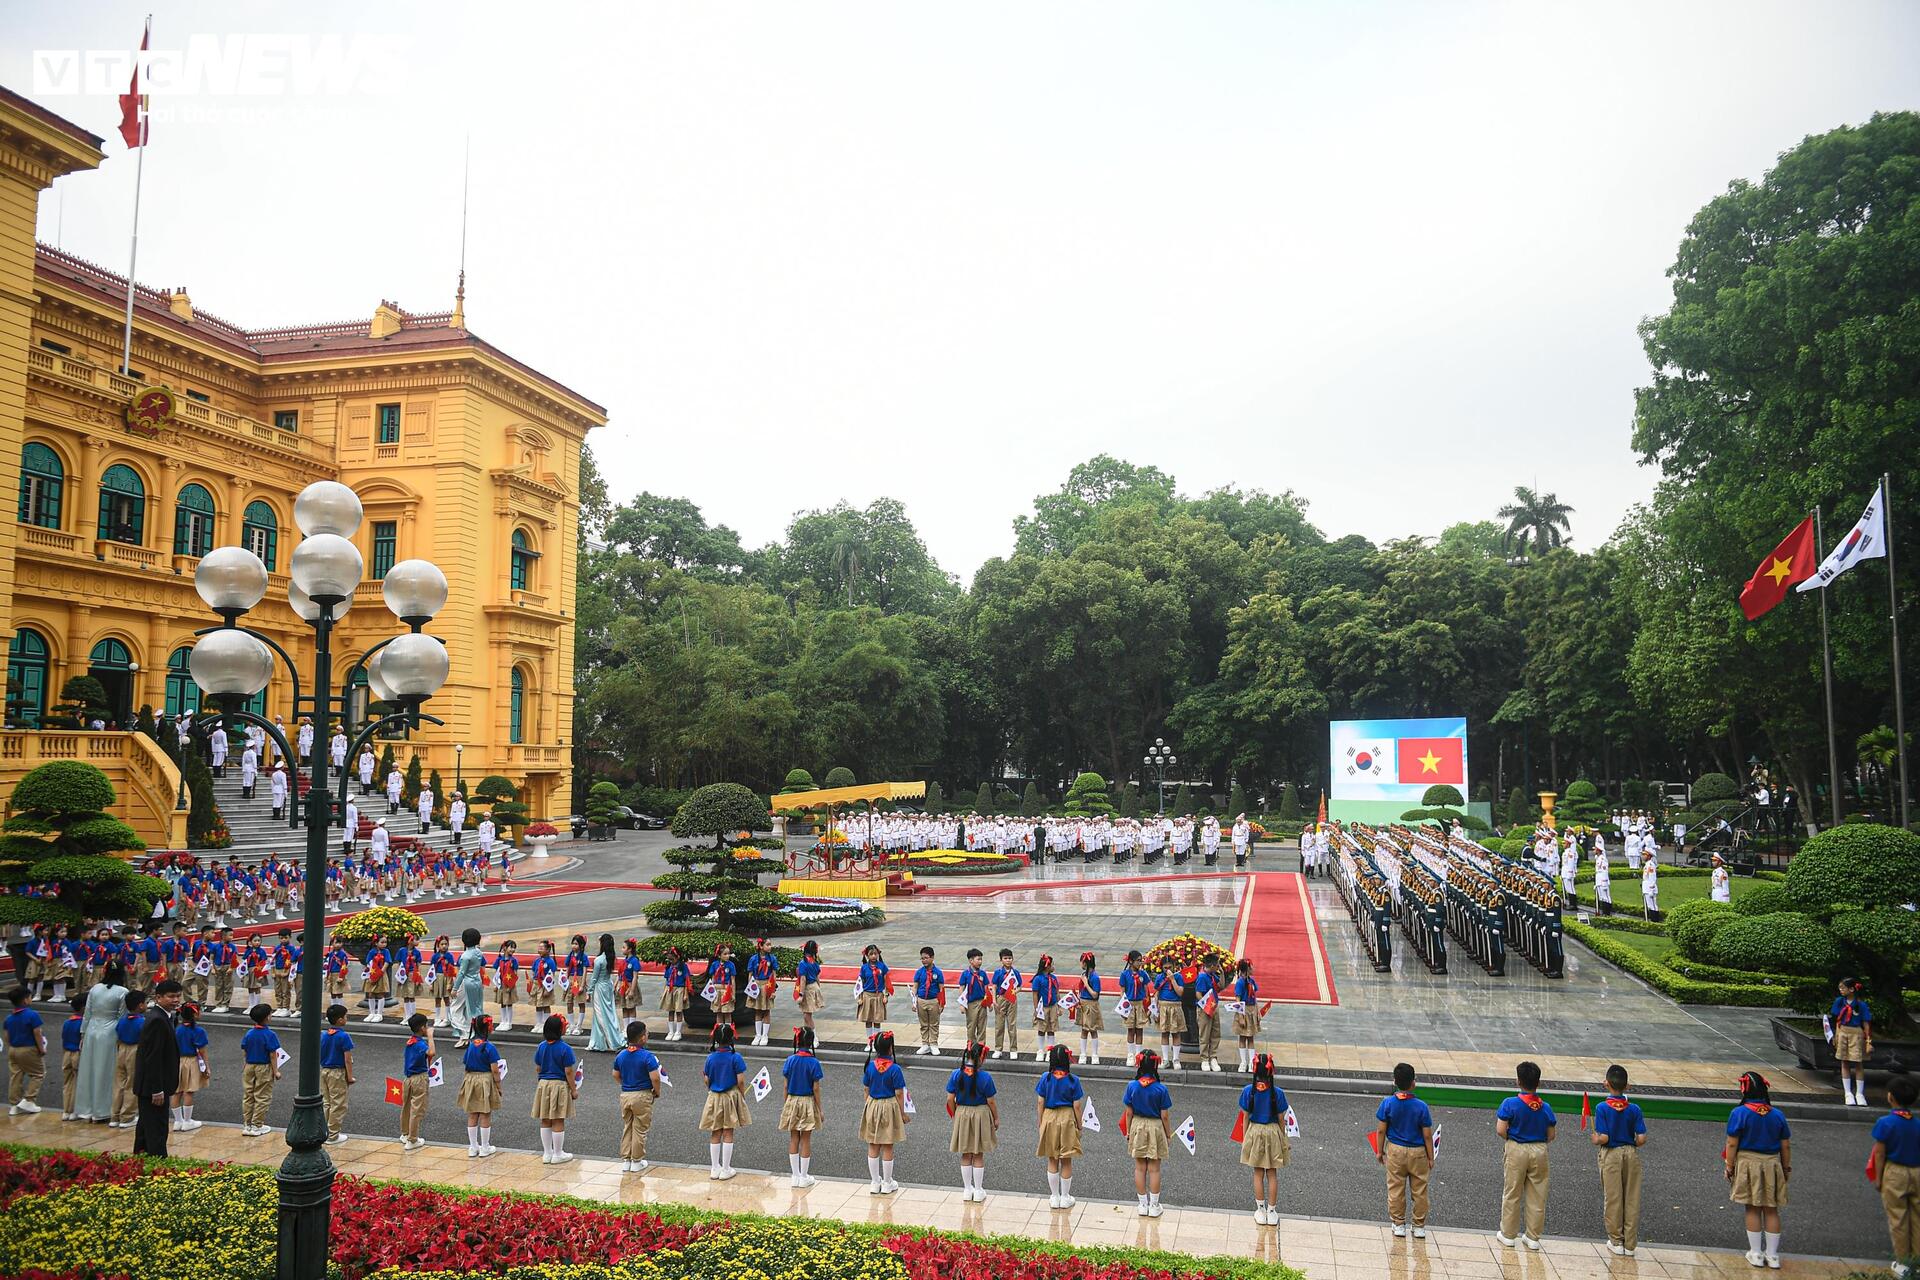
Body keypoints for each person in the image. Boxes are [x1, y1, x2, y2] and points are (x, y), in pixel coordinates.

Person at [1725, 1070, 1790, 1269]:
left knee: (1752, 1207)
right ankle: (1772, 1255)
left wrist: (1729, 1165)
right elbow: (1785, 1145)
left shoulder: (1739, 1113)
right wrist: (1786, 1168)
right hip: (1772, 1163)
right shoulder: (1777, 1114)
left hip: (1747, 1163)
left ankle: (1755, 1253)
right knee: (1771, 1209)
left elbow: (1732, 1143)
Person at [1495, 1059, 1556, 1250]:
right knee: (1537, 1194)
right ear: (1538, 1083)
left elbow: (1500, 1129)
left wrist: (1511, 1139)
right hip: (1539, 1149)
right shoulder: (1546, 1107)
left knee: (1512, 1191)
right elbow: (1551, 1134)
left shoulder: (1510, 1103)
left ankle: (1508, 1234)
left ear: (1518, 1081)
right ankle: (1533, 1237)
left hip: (1516, 1147)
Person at [1591, 1063, 1648, 1256]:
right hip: (1631, 1153)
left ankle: (1616, 1241)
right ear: (1627, 1086)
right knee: (1631, 1198)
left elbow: (1604, 1137)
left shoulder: (1601, 1108)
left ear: (1606, 1084)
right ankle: (1630, 1244)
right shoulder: (1635, 1109)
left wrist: (1596, 1139)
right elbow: (1641, 1139)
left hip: (1611, 1154)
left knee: (1613, 1197)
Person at [1376, 1062, 1435, 1238]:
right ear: (1413, 1083)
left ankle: (1398, 1223)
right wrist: (1430, 1157)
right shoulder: (1421, 1106)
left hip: (1395, 1150)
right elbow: (1427, 1135)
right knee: (1420, 1189)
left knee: (1395, 1187)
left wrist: (1380, 1151)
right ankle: (1418, 1226)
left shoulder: (1387, 1104)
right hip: (1418, 1152)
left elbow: (1381, 1130)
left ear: (1395, 1081)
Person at [1869, 1074, 1920, 1276]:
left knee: (1898, 1218)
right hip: (1917, 1171)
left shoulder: (1886, 1122)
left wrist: (1879, 1178)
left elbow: (1880, 1152)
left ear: (1890, 1097)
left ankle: (1903, 1261)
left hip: (1895, 1172)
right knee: (1917, 1217)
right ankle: (1917, 1259)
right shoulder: (1917, 1124)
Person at [1239, 1052, 1293, 1225]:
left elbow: (1245, 1117)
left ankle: (1260, 1210)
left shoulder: (1249, 1091)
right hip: (1273, 1133)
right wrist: (1284, 1140)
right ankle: (1272, 1211)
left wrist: (1245, 1137)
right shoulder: (1278, 1093)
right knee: (1272, 1173)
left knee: (1257, 1173)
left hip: (1254, 1132)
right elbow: (1281, 1119)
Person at [73, 961, 128, 1123]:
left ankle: (86, 1109)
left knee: (89, 1068)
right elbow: (122, 1016)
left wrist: (83, 1034)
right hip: (110, 1031)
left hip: (92, 1030)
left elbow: (87, 1013)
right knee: (107, 1071)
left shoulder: (95, 988)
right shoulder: (123, 991)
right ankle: (103, 1109)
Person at [1123, 1049, 1175, 1218]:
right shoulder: (1161, 1089)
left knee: (1139, 1168)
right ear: (1155, 1065)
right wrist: (1168, 1135)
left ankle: (1142, 1204)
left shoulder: (1132, 1086)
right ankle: (1154, 1206)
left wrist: (1129, 1131)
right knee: (1154, 1169)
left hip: (1137, 1125)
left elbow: (1128, 1112)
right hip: (1155, 1127)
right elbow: (1165, 1116)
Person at [947, 1040, 998, 1202]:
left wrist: (956, 1114)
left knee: (965, 1152)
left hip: (962, 1111)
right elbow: (991, 1101)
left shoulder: (956, 1074)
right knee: (978, 1153)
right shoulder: (985, 1076)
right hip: (980, 1113)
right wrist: (996, 1117)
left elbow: (950, 1098)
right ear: (981, 1058)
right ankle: (978, 1190)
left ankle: (967, 1189)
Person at [1035, 1043, 1085, 1208]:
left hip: (1049, 1116)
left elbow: (1040, 1101)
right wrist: (1080, 1125)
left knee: (1052, 1158)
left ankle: (1054, 1197)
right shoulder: (1073, 1080)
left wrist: (1041, 1121)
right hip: (1067, 1117)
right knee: (1066, 1158)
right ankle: (1065, 1197)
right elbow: (1077, 1106)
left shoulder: (1045, 1078)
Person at [860, 1029, 908, 1195]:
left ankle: (874, 1182)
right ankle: (887, 1183)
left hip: (873, 1104)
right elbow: (899, 1093)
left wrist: (868, 1105)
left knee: (873, 1144)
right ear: (890, 1049)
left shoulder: (870, 1067)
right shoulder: (895, 1069)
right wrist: (902, 1113)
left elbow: (866, 1088)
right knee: (887, 1144)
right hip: (889, 1106)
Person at [700, 1022, 749, 1180]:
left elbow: (706, 1078)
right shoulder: (736, 1057)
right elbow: (740, 1080)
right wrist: (742, 1095)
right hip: (730, 1095)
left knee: (715, 1131)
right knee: (728, 1131)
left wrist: (711, 1088)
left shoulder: (710, 1057)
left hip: (714, 1095)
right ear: (731, 1038)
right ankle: (726, 1168)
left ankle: (715, 1168)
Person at [532, 1014, 581, 1164]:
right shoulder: (565, 1048)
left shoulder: (541, 1046)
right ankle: (558, 1153)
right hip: (559, 1085)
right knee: (558, 1119)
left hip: (543, 1084)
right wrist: (573, 1089)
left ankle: (547, 1153)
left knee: (545, 1118)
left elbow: (538, 1067)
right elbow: (568, 1071)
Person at [779, 1026, 824, 1186]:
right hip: (807, 1101)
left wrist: (786, 1105)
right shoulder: (814, 1062)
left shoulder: (790, 1060)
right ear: (811, 1042)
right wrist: (820, 1109)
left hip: (792, 1099)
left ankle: (795, 1176)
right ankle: (804, 1176)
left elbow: (785, 1086)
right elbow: (816, 1088)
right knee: (805, 1138)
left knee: (793, 1137)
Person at [458, 1015, 502, 1158]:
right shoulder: (489, 1047)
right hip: (485, 1080)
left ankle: (473, 1147)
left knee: (472, 1114)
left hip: (471, 1079)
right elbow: (495, 1069)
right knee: (485, 1113)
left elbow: (466, 1065)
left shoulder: (471, 1045)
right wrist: (498, 1085)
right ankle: (484, 1147)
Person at [238, 1003, 282, 1137]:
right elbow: (273, 1055)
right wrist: (276, 1071)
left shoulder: (249, 1033)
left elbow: (245, 1050)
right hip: (264, 1067)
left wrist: (245, 1065)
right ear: (267, 1017)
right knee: (262, 1096)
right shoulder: (270, 1034)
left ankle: (247, 1124)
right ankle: (257, 1125)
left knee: (248, 1095)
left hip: (249, 1066)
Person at [1832, 978, 1874, 1106]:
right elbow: (1836, 1017)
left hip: (1856, 1033)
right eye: (1840, 988)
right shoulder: (1839, 1002)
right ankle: (1848, 1093)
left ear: (1852, 989)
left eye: (1843, 988)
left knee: (1858, 1062)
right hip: (1843, 1031)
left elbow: (1866, 1023)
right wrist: (1835, 1035)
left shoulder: (1861, 1005)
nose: (1841, 990)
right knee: (1844, 1061)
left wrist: (1868, 1040)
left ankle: (1860, 1093)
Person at [5, 987, 46, 1115]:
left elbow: (6, 1036)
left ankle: (14, 1105)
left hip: (13, 1049)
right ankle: (29, 1099)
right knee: (38, 1073)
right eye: (29, 997)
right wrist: (41, 1048)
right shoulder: (32, 1015)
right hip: (28, 1048)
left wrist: (10, 1047)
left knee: (16, 1076)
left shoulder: (9, 1018)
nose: (31, 999)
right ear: (25, 1000)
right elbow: (37, 1033)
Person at [318, 1004, 355, 1145]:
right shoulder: (343, 1036)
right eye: (345, 1016)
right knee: (338, 1104)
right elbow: (347, 1059)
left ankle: (325, 1131)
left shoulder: (323, 1034)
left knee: (327, 1102)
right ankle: (333, 1134)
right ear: (340, 1020)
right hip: (337, 1072)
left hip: (324, 1070)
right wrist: (350, 1077)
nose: (346, 1018)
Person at [111, 988, 147, 1129]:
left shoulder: (122, 1020)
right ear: (140, 1005)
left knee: (119, 1083)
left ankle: (115, 1115)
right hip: (135, 1050)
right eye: (145, 1003)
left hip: (121, 1049)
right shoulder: (142, 1022)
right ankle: (127, 1116)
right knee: (132, 1083)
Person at [170, 1001, 208, 1131]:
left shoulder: (177, 1029)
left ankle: (178, 1121)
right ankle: (187, 1121)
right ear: (195, 1014)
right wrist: (207, 1067)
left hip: (177, 1061)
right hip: (191, 1061)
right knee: (189, 1091)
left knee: (176, 1091)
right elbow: (202, 1051)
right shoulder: (198, 1031)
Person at [584, 934, 622, 1052]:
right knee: (610, 1013)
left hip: (600, 988)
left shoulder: (599, 960)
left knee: (600, 1015)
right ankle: (600, 1042)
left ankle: (613, 1042)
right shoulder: (611, 957)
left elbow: (594, 978)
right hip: (608, 986)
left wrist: (589, 992)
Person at [744, 937, 779, 1048]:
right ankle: (758, 1034)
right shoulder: (753, 959)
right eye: (767, 944)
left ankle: (765, 1035)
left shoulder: (772, 958)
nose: (770, 946)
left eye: (770, 944)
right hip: (756, 985)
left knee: (767, 1010)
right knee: (758, 1011)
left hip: (767, 985)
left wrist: (773, 990)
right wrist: (750, 989)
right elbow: (750, 975)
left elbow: (773, 975)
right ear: (761, 946)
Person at [913, 946, 946, 1056]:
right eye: (922, 958)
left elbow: (941, 988)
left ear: (932, 958)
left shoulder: (938, 972)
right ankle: (925, 1044)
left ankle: (933, 1044)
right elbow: (915, 987)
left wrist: (942, 1003)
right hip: (921, 1000)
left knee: (934, 1024)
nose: (924, 960)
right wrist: (914, 1001)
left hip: (933, 1001)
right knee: (923, 1024)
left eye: (926, 958)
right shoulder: (919, 972)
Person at [1119, 950, 1150, 1065]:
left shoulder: (1143, 974)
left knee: (1140, 1030)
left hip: (1140, 1004)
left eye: (1141, 960)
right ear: (1131, 961)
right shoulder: (1125, 974)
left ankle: (1138, 1055)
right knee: (1131, 1030)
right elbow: (1122, 991)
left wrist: (1147, 1007)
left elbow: (1147, 990)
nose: (1140, 963)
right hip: (1130, 1004)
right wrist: (1123, 1007)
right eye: (1138, 960)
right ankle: (1130, 1055)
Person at [990, 948, 1021, 1060]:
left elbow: (1019, 986)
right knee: (999, 1025)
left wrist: (1014, 992)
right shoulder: (998, 973)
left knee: (1012, 1025)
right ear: (1001, 960)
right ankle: (998, 1049)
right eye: (1005, 958)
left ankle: (1013, 1049)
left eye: (1010, 958)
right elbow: (994, 986)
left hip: (1012, 999)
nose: (1008, 960)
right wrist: (994, 1000)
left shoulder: (1015, 973)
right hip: (1000, 998)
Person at [1075, 952, 1105, 1066]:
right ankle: (1083, 1054)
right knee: (1083, 1030)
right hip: (1083, 1003)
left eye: (1082, 961)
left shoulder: (1095, 977)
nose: (1080, 964)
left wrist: (1086, 984)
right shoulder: (1084, 974)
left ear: (1086, 963)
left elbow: (1095, 995)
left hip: (1091, 1005)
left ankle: (1094, 1054)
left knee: (1093, 1030)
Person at [1233, 960, 1262, 1072]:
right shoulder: (1240, 982)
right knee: (1242, 1036)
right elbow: (1238, 998)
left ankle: (1251, 1062)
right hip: (1243, 1010)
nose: (1253, 969)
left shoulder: (1252, 981)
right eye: (1251, 967)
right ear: (1247, 969)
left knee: (1250, 1037)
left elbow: (1254, 997)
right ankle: (1243, 1062)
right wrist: (1241, 1016)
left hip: (1252, 1009)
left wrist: (1258, 1011)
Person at [856, 944, 889, 1045]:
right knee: (868, 1020)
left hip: (878, 995)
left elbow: (887, 981)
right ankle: (870, 1042)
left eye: (875, 954)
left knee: (877, 1020)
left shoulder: (882, 966)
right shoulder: (864, 968)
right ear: (867, 956)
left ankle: (877, 1042)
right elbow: (860, 983)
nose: (873, 956)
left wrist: (886, 995)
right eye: (871, 954)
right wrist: (860, 997)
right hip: (867, 995)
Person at [957, 949, 989, 1049]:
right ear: (971, 960)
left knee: (982, 1025)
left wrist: (989, 1003)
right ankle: (971, 1045)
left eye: (981, 959)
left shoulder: (982, 974)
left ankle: (980, 1046)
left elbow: (986, 988)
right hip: (970, 1003)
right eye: (978, 959)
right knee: (971, 1025)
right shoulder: (965, 974)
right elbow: (961, 988)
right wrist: (962, 1004)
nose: (980, 961)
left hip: (982, 1003)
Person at [59, 994, 84, 1120]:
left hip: (67, 1053)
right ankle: (74, 1110)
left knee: (67, 1082)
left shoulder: (67, 1022)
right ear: (83, 1007)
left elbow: (63, 1038)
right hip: (77, 1053)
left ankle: (66, 1111)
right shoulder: (83, 1023)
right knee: (77, 1082)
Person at [658, 945, 689, 1042]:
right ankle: (671, 1031)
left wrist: (685, 994)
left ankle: (678, 1032)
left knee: (678, 1011)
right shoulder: (669, 967)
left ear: (677, 957)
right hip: (669, 989)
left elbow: (686, 981)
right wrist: (664, 991)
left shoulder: (683, 966)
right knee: (670, 1010)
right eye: (669, 959)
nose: (670, 961)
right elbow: (667, 979)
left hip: (679, 989)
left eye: (672, 959)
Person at [794, 940, 824, 1034]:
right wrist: (818, 988)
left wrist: (801, 994)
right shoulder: (814, 962)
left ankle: (814, 1037)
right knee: (806, 1014)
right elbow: (817, 977)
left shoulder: (803, 963)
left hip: (808, 989)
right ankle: (807, 1036)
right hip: (814, 987)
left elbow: (803, 980)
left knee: (807, 1015)